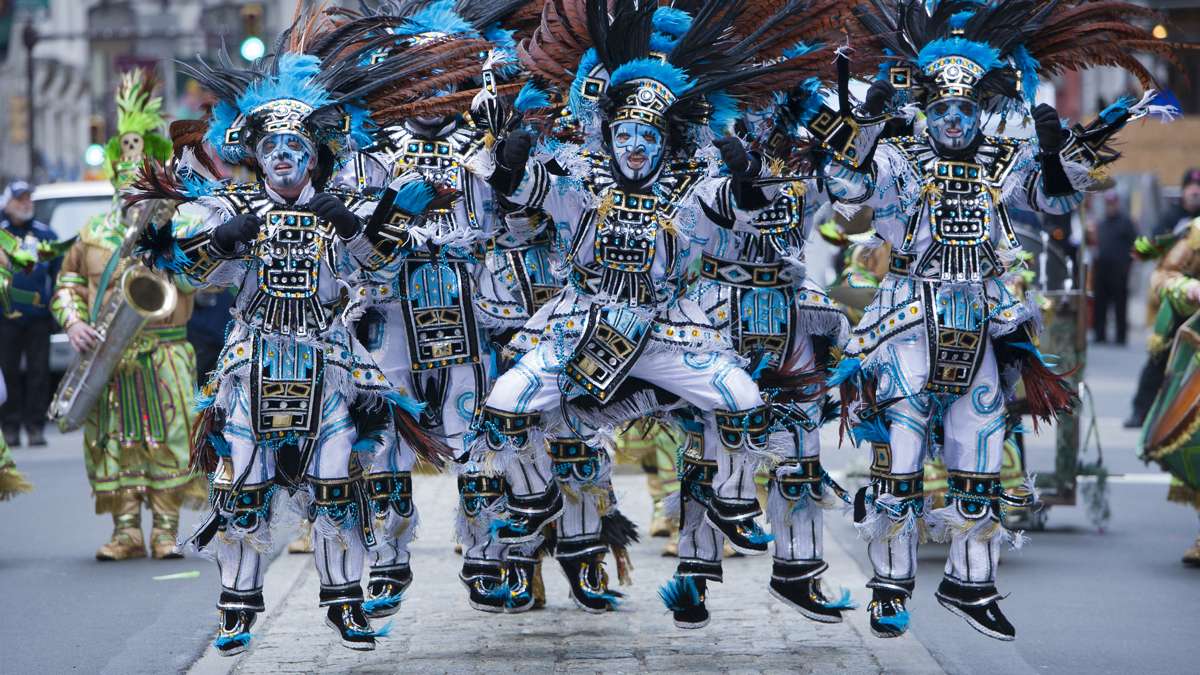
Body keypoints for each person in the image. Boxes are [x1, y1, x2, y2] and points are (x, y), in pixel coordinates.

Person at [823, 0, 1175, 642]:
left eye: (964, 111)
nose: (954, 120)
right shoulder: (901, 162)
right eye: (942, 111)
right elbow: (846, 190)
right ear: (926, 114)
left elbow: (1056, 195)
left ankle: (970, 581)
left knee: (980, 449)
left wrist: (1055, 150)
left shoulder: (998, 163)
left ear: (978, 113)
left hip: (984, 319)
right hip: (906, 320)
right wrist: (866, 127)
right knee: (899, 456)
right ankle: (889, 585)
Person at [135, 19, 469, 654]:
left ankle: (345, 603)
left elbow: (383, 265)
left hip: (328, 356)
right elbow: (179, 265)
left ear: (313, 154)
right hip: (254, 356)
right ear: (256, 156)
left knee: (336, 481)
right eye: (271, 148)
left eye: (294, 146)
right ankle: (237, 606)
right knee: (242, 485)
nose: (283, 156)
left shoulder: (346, 202)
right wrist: (219, 239)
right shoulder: (231, 210)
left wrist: (356, 226)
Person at [50, 70, 204, 561]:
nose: (129, 190)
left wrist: (169, 253)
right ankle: (125, 531)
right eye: (124, 181)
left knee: (170, 441)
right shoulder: (92, 232)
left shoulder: (180, 226)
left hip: (165, 353)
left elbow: (204, 278)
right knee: (114, 444)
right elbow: (68, 282)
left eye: (139, 185)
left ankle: (164, 530)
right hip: (108, 358)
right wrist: (73, 321)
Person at [1125, 168, 1200, 428]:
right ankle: (1140, 411)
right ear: (1183, 190)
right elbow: (1150, 250)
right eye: (1191, 185)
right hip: (1177, 299)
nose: (1195, 190)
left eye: (1198, 186)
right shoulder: (1172, 217)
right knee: (1158, 357)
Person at [0, 180, 59, 448]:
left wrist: (57, 305)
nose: (25, 204)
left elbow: (60, 273)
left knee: (38, 372)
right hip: (6, 317)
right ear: (7, 204)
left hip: (38, 317)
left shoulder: (46, 234)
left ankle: (36, 426)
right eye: (20, 199)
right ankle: (10, 427)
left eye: (28, 199)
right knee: (8, 372)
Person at [1092, 190, 1138, 344]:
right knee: (1101, 303)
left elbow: (1135, 245)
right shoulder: (1102, 223)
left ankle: (1121, 336)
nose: (1110, 207)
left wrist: (1128, 265)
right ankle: (1100, 334)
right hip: (1102, 269)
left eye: (1113, 203)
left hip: (1119, 270)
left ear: (1117, 204)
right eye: (1108, 204)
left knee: (1120, 304)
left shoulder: (1126, 223)